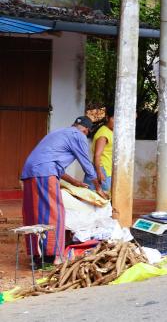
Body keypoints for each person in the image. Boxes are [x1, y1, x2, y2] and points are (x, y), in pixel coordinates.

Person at [20, 116, 103, 263]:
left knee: (34, 212)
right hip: (45, 173)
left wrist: (75, 182)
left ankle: (37, 255)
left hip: (29, 172)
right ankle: (55, 255)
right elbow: (87, 164)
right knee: (55, 212)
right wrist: (98, 188)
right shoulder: (79, 136)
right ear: (86, 130)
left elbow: (53, 163)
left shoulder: (57, 133)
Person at [92, 107, 114, 192]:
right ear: (107, 118)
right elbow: (97, 155)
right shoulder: (103, 133)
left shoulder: (110, 131)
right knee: (101, 196)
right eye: (113, 118)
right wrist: (99, 172)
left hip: (107, 169)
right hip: (102, 169)